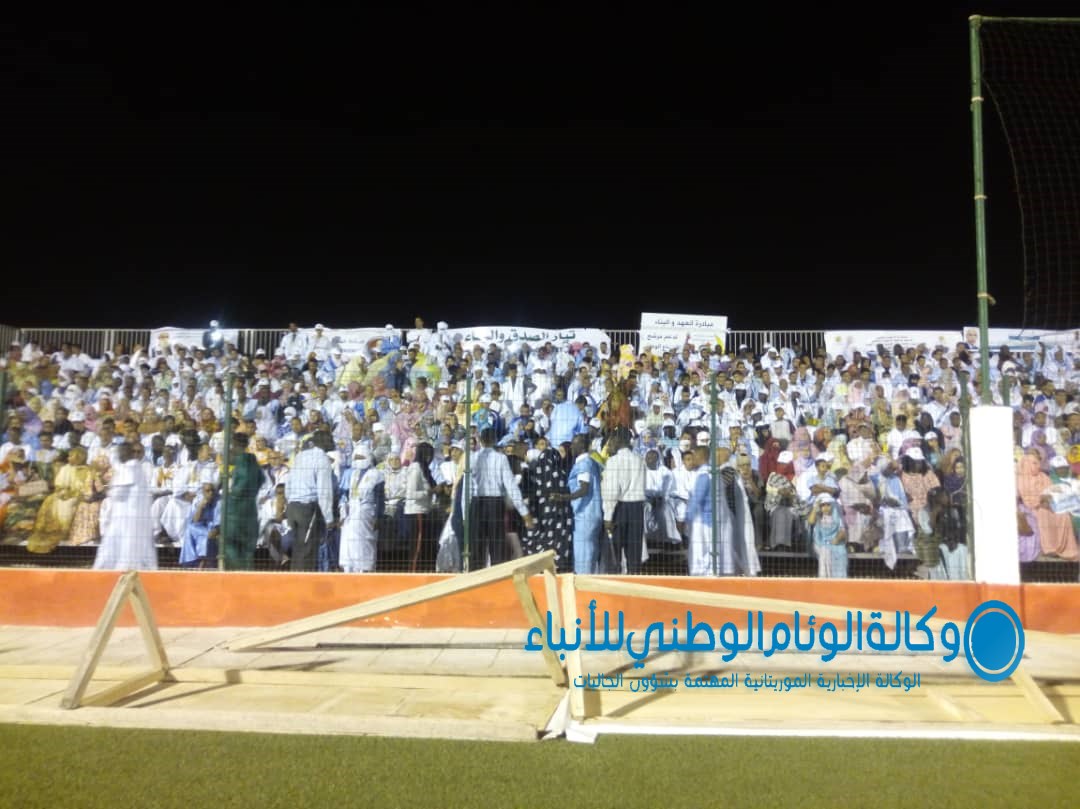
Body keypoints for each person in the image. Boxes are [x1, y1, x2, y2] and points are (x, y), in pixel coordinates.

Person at [469, 428, 535, 568]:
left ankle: (475, 575)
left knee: (477, 546)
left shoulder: (473, 458)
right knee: (497, 545)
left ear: (481, 440)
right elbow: (511, 486)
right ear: (494, 440)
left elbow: (467, 486)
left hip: (476, 502)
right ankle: (497, 576)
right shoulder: (500, 458)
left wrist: (465, 512)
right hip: (495, 502)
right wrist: (524, 513)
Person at [93, 442, 157, 570]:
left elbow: (118, 494)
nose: (120, 455)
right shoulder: (135, 468)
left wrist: (106, 491)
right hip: (129, 514)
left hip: (128, 516)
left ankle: (123, 569)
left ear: (128, 453)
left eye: (122, 452)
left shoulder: (129, 468)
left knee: (125, 544)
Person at [26, 445, 93, 553]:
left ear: (80, 457)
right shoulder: (65, 468)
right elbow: (59, 484)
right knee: (50, 500)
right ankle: (50, 531)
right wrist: (62, 491)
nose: (68, 458)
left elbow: (85, 488)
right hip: (64, 493)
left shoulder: (86, 470)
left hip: (78, 495)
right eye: (69, 456)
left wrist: (72, 493)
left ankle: (64, 532)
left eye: (71, 456)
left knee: (68, 505)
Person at [284, 436, 335, 571]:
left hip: (292, 505)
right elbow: (324, 491)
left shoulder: (300, 456)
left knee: (297, 548)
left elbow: (288, 482)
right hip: (307, 507)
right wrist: (328, 518)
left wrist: (290, 501)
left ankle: (294, 579)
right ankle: (304, 581)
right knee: (307, 549)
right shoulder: (322, 459)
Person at [601, 428, 647, 574]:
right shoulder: (639, 460)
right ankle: (634, 580)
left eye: (612, 440)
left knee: (614, 553)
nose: (610, 443)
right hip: (637, 508)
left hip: (620, 508)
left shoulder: (614, 461)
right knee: (634, 553)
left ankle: (615, 582)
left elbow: (612, 491)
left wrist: (608, 516)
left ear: (618, 440)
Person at [522, 446, 573, 570]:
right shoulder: (562, 475)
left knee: (542, 543)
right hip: (559, 519)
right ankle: (558, 566)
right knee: (557, 544)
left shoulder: (535, 477)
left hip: (542, 517)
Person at [339, 443, 384, 573]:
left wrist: (378, 517)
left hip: (367, 512)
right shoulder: (353, 474)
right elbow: (346, 495)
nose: (358, 460)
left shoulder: (377, 474)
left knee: (364, 543)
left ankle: (365, 569)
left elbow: (380, 498)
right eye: (356, 457)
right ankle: (349, 569)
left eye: (361, 457)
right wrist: (343, 511)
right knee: (348, 542)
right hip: (351, 512)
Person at [562, 434, 603, 574]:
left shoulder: (583, 464)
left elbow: (584, 489)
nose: (571, 447)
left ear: (582, 446)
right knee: (591, 552)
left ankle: (583, 583)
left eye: (574, 444)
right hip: (593, 513)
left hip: (585, 514)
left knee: (583, 555)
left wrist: (564, 497)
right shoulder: (592, 462)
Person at [222, 430, 261, 570]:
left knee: (231, 546)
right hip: (251, 508)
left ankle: (235, 577)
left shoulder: (243, 461)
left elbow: (241, 486)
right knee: (247, 548)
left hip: (237, 511)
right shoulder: (252, 460)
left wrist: (232, 495)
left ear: (235, 445)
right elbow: (261, 479)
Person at [404, 442, 438, 571]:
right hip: (416, 511)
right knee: (417, 546)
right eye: (428, 455)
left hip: (424, 510)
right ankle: (413, 572)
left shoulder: (425, 469)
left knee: (423, 545)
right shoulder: (416, 468)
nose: (430, 458)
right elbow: (410, 493)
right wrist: (429, 492)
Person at [179, 472, 221, 568]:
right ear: (202, 491)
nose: (210, 493)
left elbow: (218, 526)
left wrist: (209, 533)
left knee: (204, 537)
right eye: (207, 491)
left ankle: (198, 565)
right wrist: (200, 507)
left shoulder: (219, 501)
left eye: (212, 491)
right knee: (189, 529)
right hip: (201, 528)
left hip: (215, 529)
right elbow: (195, 521)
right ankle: (191, 563)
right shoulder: (199, 499)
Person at [808, 493, 847, 578]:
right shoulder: (819, 518)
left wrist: (837, 539)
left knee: (839, 552)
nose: (825, 508)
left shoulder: (837, 518)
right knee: (825, 552)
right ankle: (825, 578)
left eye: (828, 505)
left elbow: (842, 531)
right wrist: (815, 507)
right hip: (821, 543)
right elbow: (810, 521)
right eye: (823, 505)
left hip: (835, 542)